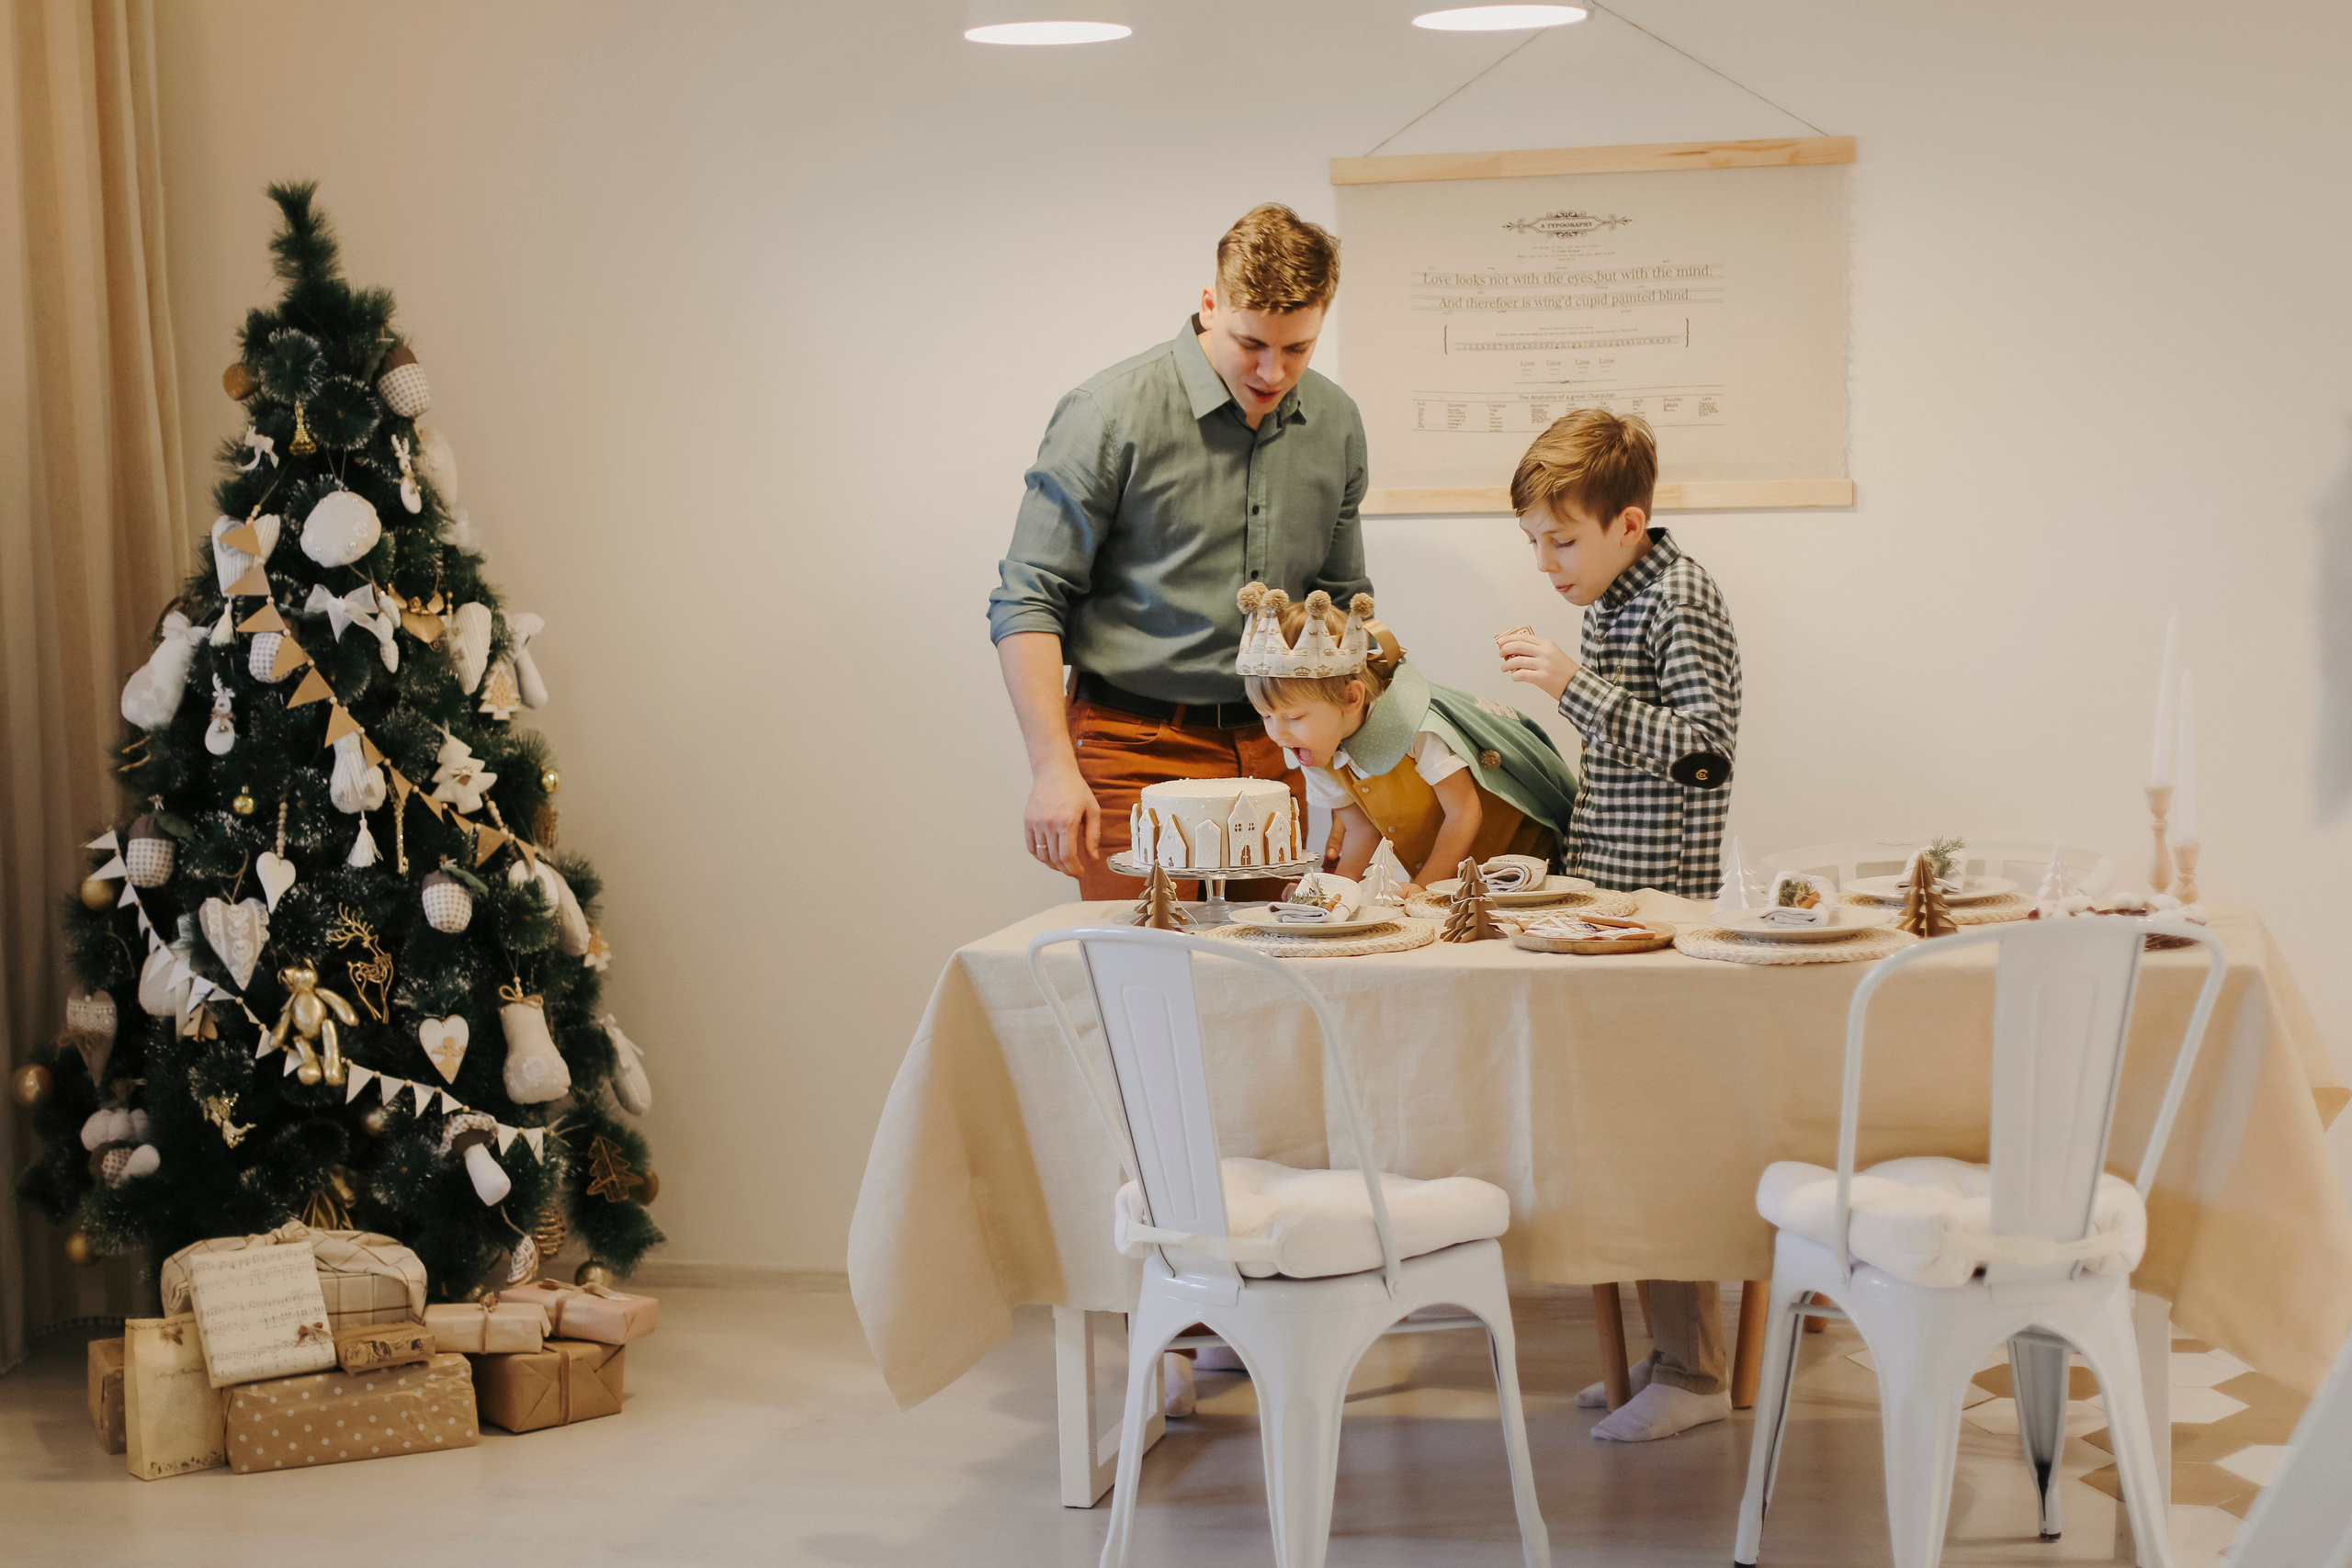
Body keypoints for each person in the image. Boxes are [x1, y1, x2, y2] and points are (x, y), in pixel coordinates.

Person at [989, 204, 1371, 898]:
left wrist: (1349, 775)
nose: (1273, 370)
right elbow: (1028, 600)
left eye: (1298, 348)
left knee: (1272, 979)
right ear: (1208, 303)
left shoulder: (1337, 423)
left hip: (1280, 746)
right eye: (1251, 342)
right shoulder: (1108, 413)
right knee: (1149, 987)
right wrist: (1051, 768)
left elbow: (1341, 603)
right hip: (1131, 742)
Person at [1496, 409, 1744, 1444]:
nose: (1548, 564)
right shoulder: (1614, 593)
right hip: (1615, 900)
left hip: (1665, 913)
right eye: (1534, 545)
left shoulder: (1675, 597)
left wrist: (1570, 685)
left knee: (1660, 1131)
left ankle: (1693, 1374)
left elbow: (1703, 757)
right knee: (1624, 1129)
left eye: (1563, 541)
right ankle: (1668, 1353)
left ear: (1628, 522)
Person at [1240, 587, 1576, 891]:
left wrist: (1421, 889)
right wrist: (1330, 893)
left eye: (1294, 717)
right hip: (1457, 882)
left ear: (1351, 698)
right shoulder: (1315, 749)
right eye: (1266, 716)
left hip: (1522, 867)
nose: (1277, 734)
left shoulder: (1418, 728)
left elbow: (1463, 812)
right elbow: (1362, 831)